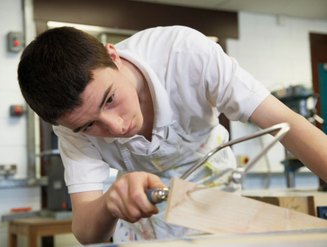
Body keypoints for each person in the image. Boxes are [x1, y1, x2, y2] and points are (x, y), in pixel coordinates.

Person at [17, 25, 327, 244]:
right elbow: (86, 232)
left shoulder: (184, 53)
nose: (116, 127)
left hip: (216, 196)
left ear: (114, 56)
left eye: (109, 99)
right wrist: (112, 201)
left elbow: (286, 123)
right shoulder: (69, 124)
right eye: (89, 126)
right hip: (144, 222)